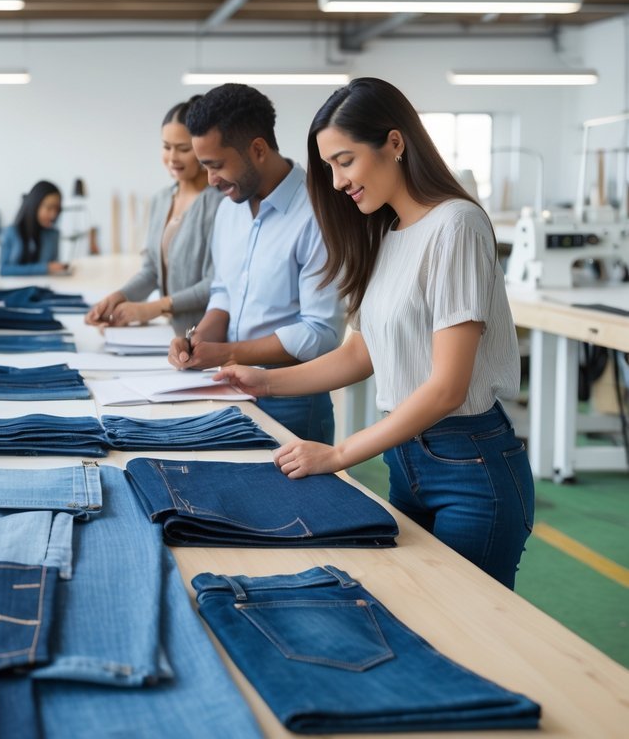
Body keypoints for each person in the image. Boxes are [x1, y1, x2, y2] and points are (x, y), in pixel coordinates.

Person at [216, 77, 533, 589]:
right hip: (407, 460)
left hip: (469, 468)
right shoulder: (387, 234)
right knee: (425, 617)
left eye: (345, 161)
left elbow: (449, 386)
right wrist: (265, 382)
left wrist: (339, 454)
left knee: (467, 630)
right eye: (329, 168)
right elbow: (362, 352)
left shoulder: (456, 225)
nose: (338, 181)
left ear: (394, 143)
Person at [168, 83, 343, 443]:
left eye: (217, 166)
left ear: (258, 149)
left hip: (293, 400)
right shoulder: (228, 209)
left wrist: (229, 351)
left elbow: (321, 333)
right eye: (205, 166)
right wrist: (199, 340)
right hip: (230, 390)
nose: (211, 180)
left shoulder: (318, 213)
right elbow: (224, 291)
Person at [86, 96, 222, 333]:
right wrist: (119, 297)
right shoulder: (161, 200)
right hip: (171, 332)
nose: (172, 158)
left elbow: (215, 283)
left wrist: (151, 308)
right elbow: (151, 271)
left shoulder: (220, 203)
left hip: (208, 335)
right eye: (166, 146)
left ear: (202, 147)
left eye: (183, 149)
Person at [0, 180, 71, 277]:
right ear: (35, 204)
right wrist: (45, 268)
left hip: (43, 287)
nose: (53, 215)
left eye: (57, 209)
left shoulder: (53, 235)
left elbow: (53, 267)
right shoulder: (11, 232)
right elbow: (4, 270)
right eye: (49, 208)